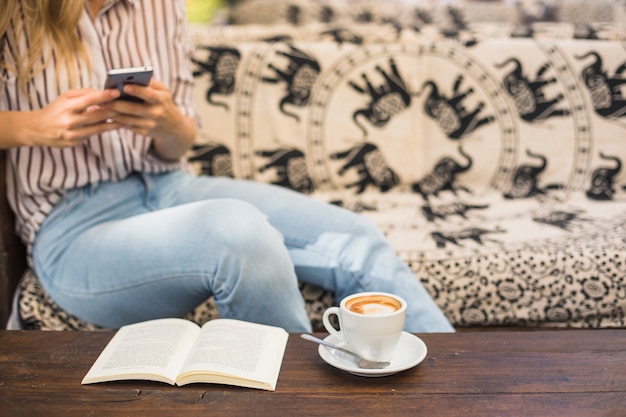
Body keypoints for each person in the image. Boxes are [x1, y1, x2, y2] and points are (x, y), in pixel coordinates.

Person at [0, 0, 454, 333]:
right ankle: (300, 402)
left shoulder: (159, 6)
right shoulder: (16, 11)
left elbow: (179, 145)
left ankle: (456, 389)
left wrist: (169, 122)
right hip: (73, 227)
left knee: (358, 240)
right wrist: (33, 127)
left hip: (168, 186)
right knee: (238, 231)